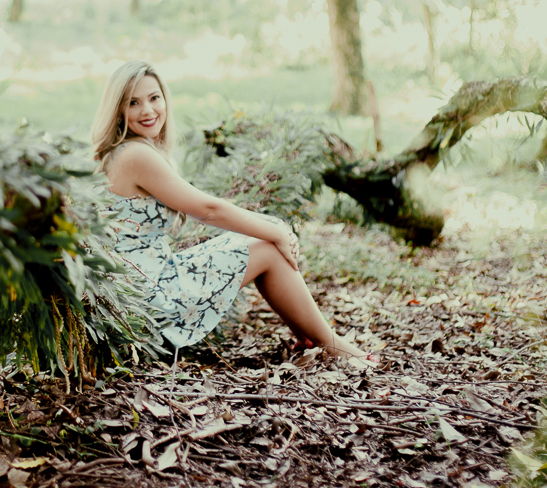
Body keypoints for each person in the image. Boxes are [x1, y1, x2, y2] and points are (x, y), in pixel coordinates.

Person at [91, 60, 369, 362]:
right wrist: (278, 231)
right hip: (146, 298)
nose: (148, 110)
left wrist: (271, 226)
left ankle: (311, 338)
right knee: (267, 246)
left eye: (154, 98)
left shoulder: (125, 151)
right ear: (118, 109)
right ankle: (331, 344)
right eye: (134, 102)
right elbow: (208, 210)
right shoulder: (136, 155)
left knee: (261, 242)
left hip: (143, 281)